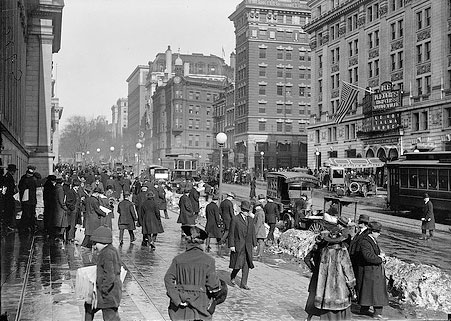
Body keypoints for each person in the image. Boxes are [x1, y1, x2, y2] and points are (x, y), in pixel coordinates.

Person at [164, 222, 221, 321]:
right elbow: (213, 285)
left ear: (187, 242)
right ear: (202, 243)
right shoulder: (209, 261)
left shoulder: (178, 259)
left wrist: (176, 298)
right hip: (201, 307)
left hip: (181, 308)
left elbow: (168, 279)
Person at [314, 228, 356, 320]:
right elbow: (348, 269)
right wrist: (351, 283)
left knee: (327, 313)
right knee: (339, 312)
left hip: (325, 289)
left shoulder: (324, 250)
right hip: (338, 287)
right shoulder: (342, 251)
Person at [85, 226, 122, 321]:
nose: (94, 246)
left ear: (103, 242)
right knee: (89, 307)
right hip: (111, 292)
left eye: (95, 243)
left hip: (107, 294)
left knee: (110, 316)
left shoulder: (106, 254)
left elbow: (110, 275)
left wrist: (103, 290)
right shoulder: (112, 250)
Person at [356, 221, 389, 319]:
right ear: (372, 232)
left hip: (371, 270)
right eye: (377, 232)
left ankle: (364, 310)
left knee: (367, 292)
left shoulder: (371, 240)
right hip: (370, 271)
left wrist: (381, 257)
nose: (379, 233)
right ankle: (377, 314)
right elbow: (368, 257)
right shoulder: (365, 241)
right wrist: (380, 258)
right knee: (377, 293)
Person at [228, 200, 257, 290]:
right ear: (243, 210)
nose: (248, 213)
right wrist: (231, 245)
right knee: (238, 264)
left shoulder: (250, 220)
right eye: (247, 211)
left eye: (249, 211)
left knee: (246, 264)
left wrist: (254, 244)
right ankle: (233, 275)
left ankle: (243, 283)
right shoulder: (235, 219)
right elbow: (231, 233)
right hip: (238, 245)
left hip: (247, 246)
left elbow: (252, 233)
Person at [18, 165, 38, 232]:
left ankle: (25, 227)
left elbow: (20, 188)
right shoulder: (31, 180)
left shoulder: (24, 178)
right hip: (29, 200)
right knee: (28, 214)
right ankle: (26, 227)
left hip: (26, 200)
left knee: (26, 214)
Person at [349, 214, 370, 279]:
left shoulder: (366, 233)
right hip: (354, 257)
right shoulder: (360, 232)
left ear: (363, 223)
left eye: (359, 222)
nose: (358, 223)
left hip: (358, 259)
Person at [1, 164, 18, 231]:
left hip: (8, 197)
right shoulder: (8, 177)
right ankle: (7, 226)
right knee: (8, 212)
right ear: (12, 171)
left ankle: (7, 225)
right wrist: (4, 196)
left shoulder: (7, 176)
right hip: (8, 198)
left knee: (8, 212)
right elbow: (5, 188)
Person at [53, 177, 68, 242]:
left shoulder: (54, 188)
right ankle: (60, 236)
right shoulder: (60, 190)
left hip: (55, 207)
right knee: (63, 223)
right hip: (60, 209)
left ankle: (57, 235)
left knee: (57, 223)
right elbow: (61, 201)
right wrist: (65, 208)